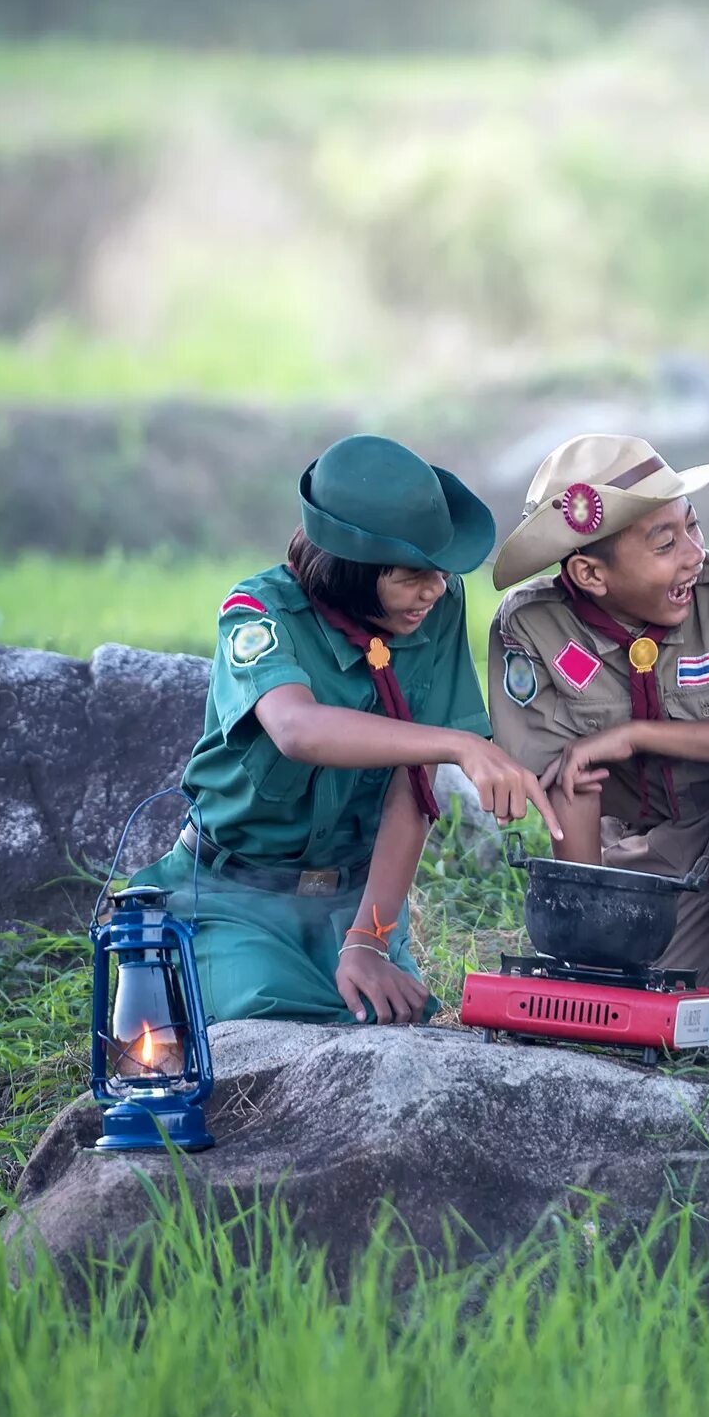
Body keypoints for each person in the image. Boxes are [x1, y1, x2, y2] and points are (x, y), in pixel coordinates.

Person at [128, 434, 557, 1027]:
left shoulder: (434, 603)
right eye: (412, 575)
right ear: (350, 571)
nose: (433, 590)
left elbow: (415, 794)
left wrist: (369, 940)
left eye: (441, 572)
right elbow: (297, 729)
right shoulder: (258, 611)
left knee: (385, 1027)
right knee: (272, 1022)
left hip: (355, 902)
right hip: (235, 898)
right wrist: (460, 743)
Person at [485, 433, 709, 1023]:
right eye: (666, 543)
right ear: (591, 574)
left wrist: (639, 736)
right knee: (634, 991)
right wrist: (583, 950)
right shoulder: (532, 628)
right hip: (647, 853)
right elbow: (565, 782)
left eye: (693, 527)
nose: (694, 554)